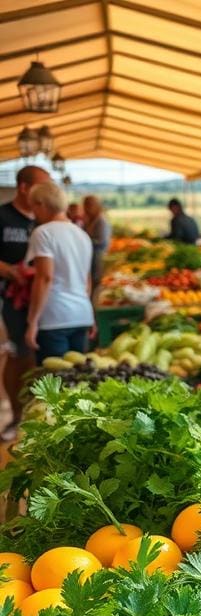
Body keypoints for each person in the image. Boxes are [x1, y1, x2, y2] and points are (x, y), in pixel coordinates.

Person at [0, 164, 50, 438]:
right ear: (23, 187)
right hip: (15, 299)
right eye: (41, 185)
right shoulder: (4, 216)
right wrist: (10, 271)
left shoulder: (45, 217)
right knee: (20, 355)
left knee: (41, 358)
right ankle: (16, 416)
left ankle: (37, 416)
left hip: (46, 299)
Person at [24, 180, 94, 366]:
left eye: (34, 208)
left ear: (42, 204)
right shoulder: (82, 234)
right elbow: (86, 280)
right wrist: (90, 314)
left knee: (55, 385)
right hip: (81, 315)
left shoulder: (43, 233)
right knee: (77, 380)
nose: (34, 214)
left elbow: (45, 278)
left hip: (55, 317)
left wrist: (32, 322)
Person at [82, 195, 111, 288]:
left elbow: (101, 241)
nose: (86, 208)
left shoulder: (101, 220)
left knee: (96, 281)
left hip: (98, 255)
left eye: (89, 205)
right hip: (92, 255)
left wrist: (84, 241)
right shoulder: (90, 219)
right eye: (85, 205)